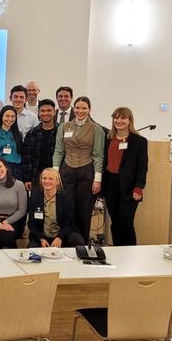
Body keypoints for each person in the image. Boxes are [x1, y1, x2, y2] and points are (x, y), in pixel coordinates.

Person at [53, 96, 105, 244]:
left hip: (87, 172)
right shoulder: (64, 127)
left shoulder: (97, 129)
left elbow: (98, 156)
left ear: (89, 110)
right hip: (66, 171)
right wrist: (55, 173)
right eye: (78, 108)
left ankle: (82, 243)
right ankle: (66, 241)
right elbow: (58, 151)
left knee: (84, 211)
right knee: (66, 208)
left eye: (84, 108)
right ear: (73, 108)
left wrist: (97, 180)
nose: (80, 111)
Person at [102, 107, 148, 246]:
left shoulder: (139, 141)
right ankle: (118, 252)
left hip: (129, 187)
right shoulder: (108, 139)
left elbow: (142, 166)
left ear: (129, 121)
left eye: (123, 118)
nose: (119, 121)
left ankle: (130, 255)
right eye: (116, 118)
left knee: (126, 224)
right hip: (111, 185)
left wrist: (139, 188)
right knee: (115, 223)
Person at [27, 168, 84, 248]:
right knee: (31, 251)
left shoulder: (66, 198)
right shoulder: (35, 198)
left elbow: (70, 223)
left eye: (51, 179)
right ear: (41, 180)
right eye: (44, 178)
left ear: (57, 182)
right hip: (42, 237)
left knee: (77, 240)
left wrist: (59, 238)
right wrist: (41, 238)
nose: (47, 181)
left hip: (62, 236)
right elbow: (31, 224)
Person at [22, 99, 58, 192]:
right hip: (36, 177)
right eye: (42, 111)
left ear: (54, 112)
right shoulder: (32, 133)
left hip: (56, 177)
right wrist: (27, 179)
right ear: (38, 113)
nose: (45, 113)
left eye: (49, 110)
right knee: (37, 205)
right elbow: (27, 157)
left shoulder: (61, 131)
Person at [0, 105, 24, 180]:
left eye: (13, 116)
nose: (10, 119)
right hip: (0, 170)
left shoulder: (18, 134)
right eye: (7, 116)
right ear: (1, 116)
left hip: (16, 171)